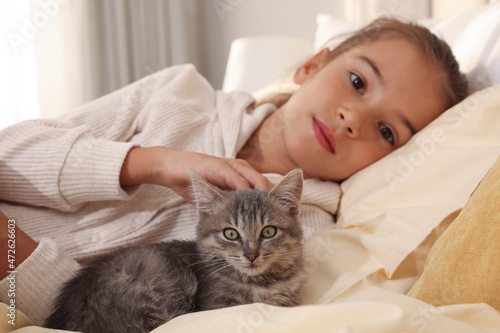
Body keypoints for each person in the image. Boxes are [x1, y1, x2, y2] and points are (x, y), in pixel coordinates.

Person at [0, 17, 468, 325]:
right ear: (310, 65)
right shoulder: (179, 93)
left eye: (387, 132)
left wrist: (17, 260)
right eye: (358, 81)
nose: (353, 119)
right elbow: (7, 154)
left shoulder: (311, 228)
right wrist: (150, 162)